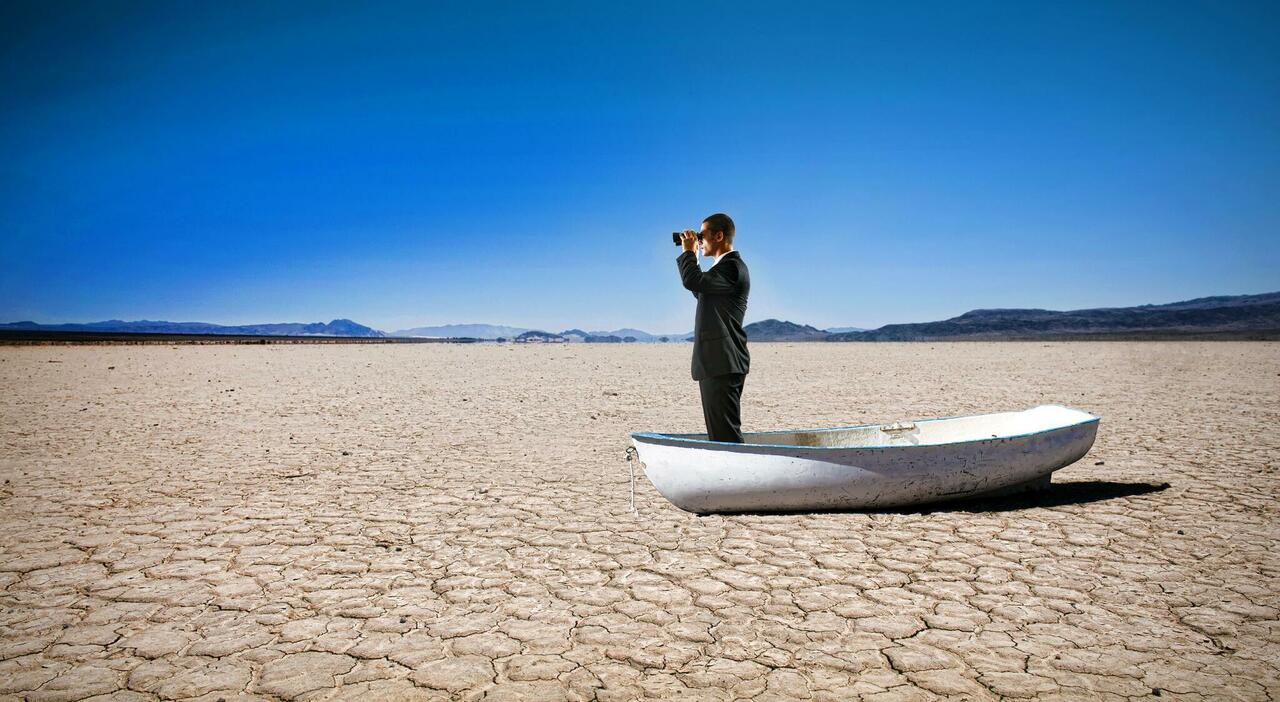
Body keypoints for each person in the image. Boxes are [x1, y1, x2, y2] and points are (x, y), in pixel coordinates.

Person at [677, 213, 750, 443]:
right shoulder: (724, 269)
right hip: (719, 362)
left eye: (702, 236)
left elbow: (693, 281)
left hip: (722, 362)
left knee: (725, 436)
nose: (699, 241)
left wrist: (689, 252)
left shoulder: (732, 267)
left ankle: (738, 468)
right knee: (721, 436)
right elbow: (700, 290)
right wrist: (694, 258)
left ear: (719, 236)